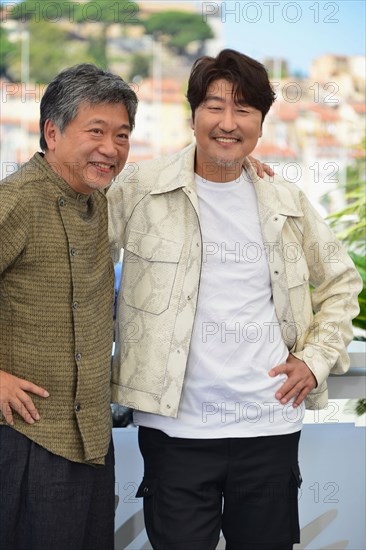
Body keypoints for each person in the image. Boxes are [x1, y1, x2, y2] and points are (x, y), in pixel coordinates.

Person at [108, 49, 362, 550]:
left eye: (244, 109)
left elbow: (342, 283)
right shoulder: (138, 187)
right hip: (173, 432)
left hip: (268, 428)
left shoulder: (285, 199)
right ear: (193, 114)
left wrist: (314, 360)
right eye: (215, 106)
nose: (228, 123)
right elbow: (75, 262)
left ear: (262, 124)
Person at [0, 63, 137, 550]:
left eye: (122, 135)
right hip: (25, 438)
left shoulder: (100, 199)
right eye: (96, 131)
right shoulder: (15, 201)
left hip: (92, 439)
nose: (111, 148)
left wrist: (238, 162)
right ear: (52, 132)